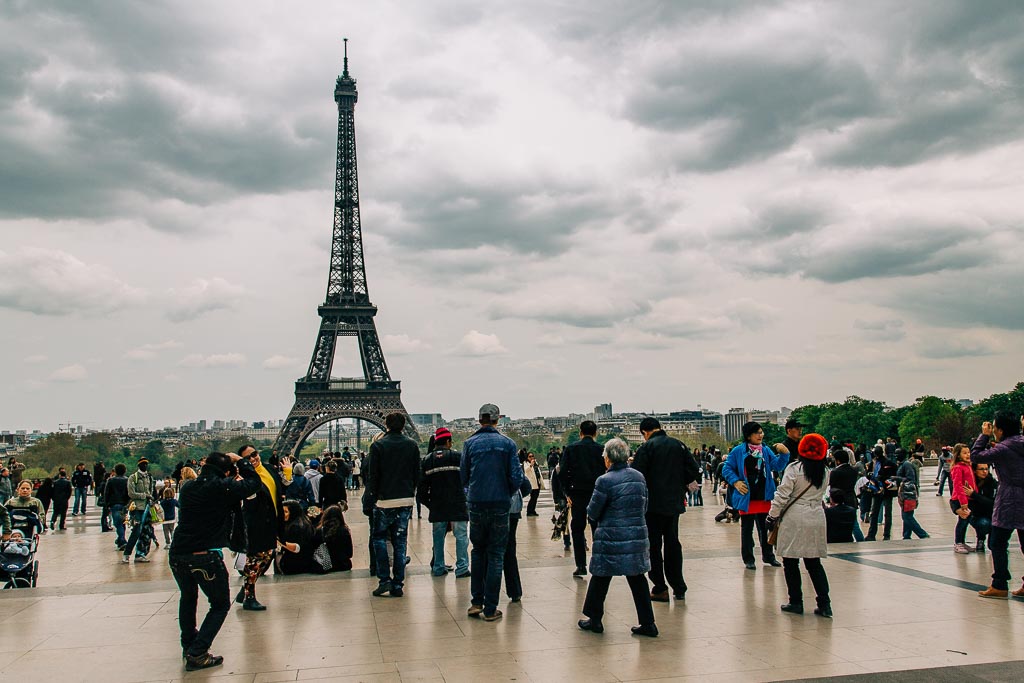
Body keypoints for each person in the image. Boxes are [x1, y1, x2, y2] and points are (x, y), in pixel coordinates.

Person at [170, 450, 263, 672]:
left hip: (178, 553)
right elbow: (254, 483)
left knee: (188, 597)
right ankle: (198, 651)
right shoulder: (224, 488)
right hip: (205, 556)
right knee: (220, 604)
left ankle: (189, 644)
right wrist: (241, 460)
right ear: (228, 472)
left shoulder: (188, 487)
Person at [578, 438, 658, 637]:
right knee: (638, 579)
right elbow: (644, 505)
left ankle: (595, 618)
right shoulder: (638, 477)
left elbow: (593, 511)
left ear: (608, 459)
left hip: (611, 535)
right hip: (636, 534)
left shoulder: (604, 481)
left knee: (601, 576)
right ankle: (648, 622)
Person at [460, 403, 526, 622]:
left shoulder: (469, 444)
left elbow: (463, 477)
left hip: (477, 504)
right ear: (497, 420)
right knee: (497, 554)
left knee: (478, 551)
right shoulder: (507, 444)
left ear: (479, 419)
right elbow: (517, 478)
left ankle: (476, 602)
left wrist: (473, 492)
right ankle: (490, 608)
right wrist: (504, 492)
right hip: (499, 504)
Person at [632, 416, 699, 601]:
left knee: (653, 546)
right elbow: (693, 470)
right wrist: (679, 483)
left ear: (645, 432)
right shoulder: (678, 445)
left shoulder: (646, 448)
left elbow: (637, 475)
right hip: (674, 503)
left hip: (652, 506)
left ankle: (660, 587)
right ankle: (679, 586)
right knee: (673, 544)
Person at [768, 433, 832, 617]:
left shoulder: (794, 469)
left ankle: (796, 601)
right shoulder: (825, 471)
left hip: (795, 517)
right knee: (814, 563)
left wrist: (772, 515)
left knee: (790, 561)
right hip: (816, 516)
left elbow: (782, 494)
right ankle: (824, 604)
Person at [366, 412, 421, 598]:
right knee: (400, 542)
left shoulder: (378, 446)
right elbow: (417, 474)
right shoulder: (412, 445)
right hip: (404, 499)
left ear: (386, 425)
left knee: (379, 539)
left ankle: (384, 580)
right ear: (404, 424)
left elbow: (373, 476)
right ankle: (398, 583)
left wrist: (374, 497)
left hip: (384, 500)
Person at [971, 413, 1024, 599]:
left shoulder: (1003, 448)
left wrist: (983, 436)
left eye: (993, 428)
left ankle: (1000, 583)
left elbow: (976, 456)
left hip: (1010, 499)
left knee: (997, 542)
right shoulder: (1019, 443)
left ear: (1000, 430)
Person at [723, 421, 787, 569]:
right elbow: (727, 469)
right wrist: (736, 482)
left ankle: (768, 556)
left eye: (761, 432)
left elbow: (777, 465)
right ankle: (748, 559)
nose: (761, 435)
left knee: (765, 528)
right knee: (746, 529)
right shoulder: (738, 451)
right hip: (747, 496)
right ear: (748, 435)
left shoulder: (765, 450)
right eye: (757, 433)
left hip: (763, 494)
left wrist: (784, 454)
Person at [236, 445, 284, 610]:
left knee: (266, 556)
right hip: (257, 522)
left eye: (254, 454)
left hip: (272, 520)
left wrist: (288, 473)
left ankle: (247, 586)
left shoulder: (269, 469)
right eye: (248, 458)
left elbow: (281, 487)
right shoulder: (246, 477)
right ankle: (249, 596)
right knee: (256, 559)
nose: (253, 458)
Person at [419, 427, 470, 578]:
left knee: (438, 537)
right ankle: (462, 567)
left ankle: (438, 566)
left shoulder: (427, 460)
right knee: (461, 536)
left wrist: (430, 503)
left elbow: (421, 490)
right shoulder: (458, 457)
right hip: (458, 503)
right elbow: (467, 480)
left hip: (438, 504)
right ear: (448, 441)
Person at [559, 420, 606, 576]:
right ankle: (599, 562)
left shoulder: (571, 449)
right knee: (597, 528)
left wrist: (567, 494)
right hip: (596, 493)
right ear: (595, 433)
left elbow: (563, 472)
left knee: (577, 529)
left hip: (577, 493)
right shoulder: (601, 449)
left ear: (580, 432)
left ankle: (581, 565)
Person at [504, 472, 532, 602]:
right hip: (512, 512)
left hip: (491, 509)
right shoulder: (509, 460)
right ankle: (515, 591)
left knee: (488, 552)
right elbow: (526, 486)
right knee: (509, 552)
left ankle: (486, 592)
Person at [121, 458, 156, 563]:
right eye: (143, 464)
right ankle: (127, 553)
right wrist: (145, 496)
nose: (145, 466)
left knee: (147, 531)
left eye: (146, 464)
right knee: (136, 531)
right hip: (137, 508)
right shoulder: (133, 478)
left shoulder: (149, 477)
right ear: (139, 466)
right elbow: (131, 493)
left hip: (147, 507)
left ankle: (140, 553)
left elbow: (151, 491)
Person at [828, 447, 863, 541]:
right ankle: (860, 540)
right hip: (851, 498)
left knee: (838, 522)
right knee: (854, 524)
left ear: (838, 460)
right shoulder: (853, 470)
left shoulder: (835, 472)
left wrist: (831, 499)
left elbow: (832, 486)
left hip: (838, 499)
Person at [864, 447, 898, 542]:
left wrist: (883, 477)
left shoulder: (888, 463)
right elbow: (868, 475)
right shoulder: (873, 463)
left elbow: (893, 474)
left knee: (883, 513)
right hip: (877, 489)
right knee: (876, 513)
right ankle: (873, 534)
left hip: (886, 490)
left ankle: (885, 534)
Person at [895, 449, 928, 541]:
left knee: (907, 516)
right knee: (906, 514)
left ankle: (922, 534)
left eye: (898, 454)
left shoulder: (907, 465)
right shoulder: (902, 465)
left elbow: (910, 479)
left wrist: (897, 478)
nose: (896, 456)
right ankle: (906, 535)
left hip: (908, 493)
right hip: (904, 494)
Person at [965, 459, 998, 553]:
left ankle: (992, 541)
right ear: (975, 471)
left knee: (994, 544)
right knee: (984, 523)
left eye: (986, 469)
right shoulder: (971, 483)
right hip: (977, 515)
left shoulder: (992, 483)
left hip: (992, 515)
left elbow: (992, 503)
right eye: (981, 469)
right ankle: (981, 539)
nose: (985, 472)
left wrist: (974, 495)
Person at [950, 443, 977, 554]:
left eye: (968, 452)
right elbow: (957, 485)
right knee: (962, 521)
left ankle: (961, 541)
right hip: (960, 499)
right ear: (958, 455)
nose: (967, 455)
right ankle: (958, 543)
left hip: (968, 498)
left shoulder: (968, 466)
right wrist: (963, 501)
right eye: (964, 453)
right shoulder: (958, 468)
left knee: (965, 521)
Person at [311, 504, 353, 573]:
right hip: (343, 565)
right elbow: (350, 553)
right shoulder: (344, 530)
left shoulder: (320, 530)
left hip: (325, 565)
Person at [277, 500, 316, 575]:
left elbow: (297, 548)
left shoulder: (296, 527)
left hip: (295, 564)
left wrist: (280, 542)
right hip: (305, 562)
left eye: (285, 512)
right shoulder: (304, 522)